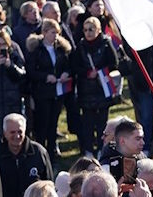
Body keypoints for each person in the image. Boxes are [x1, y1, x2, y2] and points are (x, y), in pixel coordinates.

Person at [28, 19, 74, 159]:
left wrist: (66, 73)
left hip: (58, 91)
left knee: (53, 123)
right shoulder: (36, 50)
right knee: (42, 124)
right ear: (44, 32)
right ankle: (40, 154)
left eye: (57, 33)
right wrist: (45, 77)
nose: (55, 36)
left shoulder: (61, 49)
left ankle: (52, 153)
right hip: (42, 92)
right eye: (52, 32)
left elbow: (69, 65)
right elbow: (31, 71)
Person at [73, 16, 118, 157]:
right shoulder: (80, 46)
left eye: (91, 29)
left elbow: (114, 63)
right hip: (86, 89)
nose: (88, 32)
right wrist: (87, 73)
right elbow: (75, 66)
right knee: (87, 122)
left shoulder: (106, 43)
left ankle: (101, 148)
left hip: (102, 87)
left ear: (98, 30)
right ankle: (88, 150)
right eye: (85, 30)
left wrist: (99, 71)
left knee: (102, 122)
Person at [0, 113, 54, 197]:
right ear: (5, 133)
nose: (17, 136)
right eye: (12, 132)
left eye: (20, 131)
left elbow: (49, 184)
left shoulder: (39, 152)